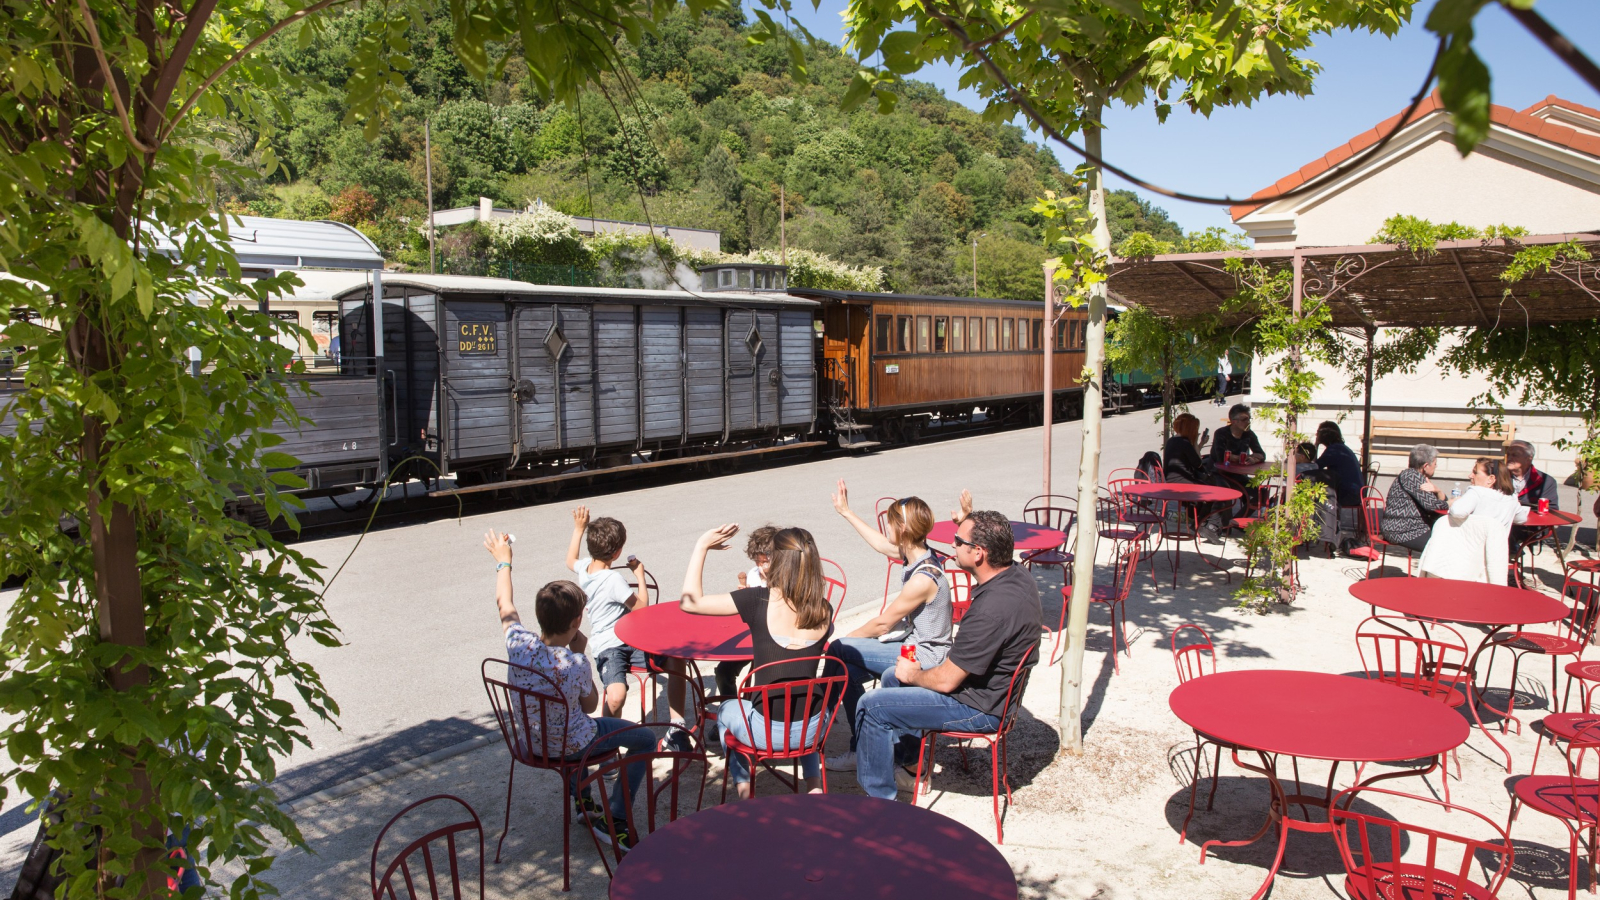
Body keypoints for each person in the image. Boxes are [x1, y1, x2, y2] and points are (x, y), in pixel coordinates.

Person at [854, 510, 1041, 801]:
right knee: (892, 677)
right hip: (992, 694)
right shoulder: (1015, 575)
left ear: (978, 553)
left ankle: (879, 804)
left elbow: (946, 681)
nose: (951, 545)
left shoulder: (992, 610)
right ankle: (911, 767)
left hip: (980, 709)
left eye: (957, 540)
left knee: (872, 705)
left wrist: (912, 673)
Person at [484, 531, 655, 849]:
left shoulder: (518, 643)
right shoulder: (574, 663)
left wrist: (503, 561)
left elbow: (504, 603)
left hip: (534, 742)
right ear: (578, 620)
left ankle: (584, 801)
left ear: (539, 616)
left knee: (563, 726)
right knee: (645, 739)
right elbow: (590, 707)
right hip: (572, 746)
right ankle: (614, 819)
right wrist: (581, 652)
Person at [679, 525, 836, 800]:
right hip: (812, 731)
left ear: (778, 561)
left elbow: (690, 603)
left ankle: (744, 789)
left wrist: (702, 545)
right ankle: (814, 785)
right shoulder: (824, 608)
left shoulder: (758, 601)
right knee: (804, 701)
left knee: (728, 707)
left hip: (766, 733)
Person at [823, 482, 954, 772]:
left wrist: (844, 642)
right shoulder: (919, 553)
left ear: (904, 530)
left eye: (892, 523)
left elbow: (883, 623)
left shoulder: (924, 578)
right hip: (912, 645)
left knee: (838, 651)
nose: (887, 529)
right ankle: (852, 742)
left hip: (925, 655)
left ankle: (817, 723)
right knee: (846, 672)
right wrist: (847, 513)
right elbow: (882, 544)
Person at [565, 507, 688, 731]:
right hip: (611, 647)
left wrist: (578, 528)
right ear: (617, 552)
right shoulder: (613, 579)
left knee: (617, 695)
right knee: (622, 691)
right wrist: (639, 574)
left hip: (630, 642)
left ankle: (676, 724)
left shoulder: (585, 569)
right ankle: (611, 737)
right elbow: (642, 609)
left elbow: (570, 559)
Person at [1419, 458, 1526, 583]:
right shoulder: (1511, 499)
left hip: (1465, 558)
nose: (1470, 475)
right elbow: (1522, 518)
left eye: (1475, 472)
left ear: (1490, 479)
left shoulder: (1477, 492)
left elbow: (1457, 512)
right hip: (1493, 558)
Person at [713, 525, 778, 699]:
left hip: (776, 641)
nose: (760, 566)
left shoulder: (788, 577)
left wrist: (772, 585)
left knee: (762, 678)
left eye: (764, 562)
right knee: (723, 671)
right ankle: (729, 711)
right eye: (757, 561)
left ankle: (755, 712)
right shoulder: (754, 574)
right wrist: (745, 598)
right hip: (752, 635)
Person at [1506, 439, 1560, 582]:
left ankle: (1511, 573)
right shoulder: (1498, 477)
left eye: (1515, 455)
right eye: (1509, 454)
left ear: (1529, 458)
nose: (1510, 457)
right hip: (1503, 522)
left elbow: (1552, 509)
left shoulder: (1545, 481)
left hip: (1529, 526)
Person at [1381, 444, 1450, 553]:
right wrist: (1450, 504)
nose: (1436, 467)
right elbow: (1431, 505)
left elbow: (1432, 502)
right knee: (1445, 545)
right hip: (1402, 530)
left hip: (1411, 528)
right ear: (1426, 466)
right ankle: (1428, 570)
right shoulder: (1411, 477)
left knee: (1447, 539)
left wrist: (1439, 491)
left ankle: (1428, 570)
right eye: (1435, 464)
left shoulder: (1415, 476)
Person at [1315, 421, 1364, 509]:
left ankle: (1324, 521)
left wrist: (1316, 445)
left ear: (1324, 435)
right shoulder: (1341, 448)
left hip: (1348, 496)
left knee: (1315, 494)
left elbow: (1315, 466)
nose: (1316, 434)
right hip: (1358, 494)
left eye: (1318, 432)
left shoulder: (1334, 450)